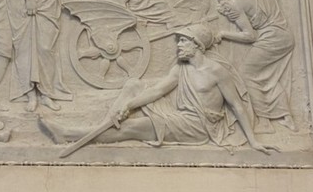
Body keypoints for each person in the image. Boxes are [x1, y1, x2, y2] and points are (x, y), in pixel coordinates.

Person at [41, 23, 274, 154]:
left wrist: (253, 141)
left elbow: (237, 106)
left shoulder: (217, 71)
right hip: (179, 116)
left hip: (197, 127)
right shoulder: (180, 69)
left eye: (183, 41)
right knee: (133, 85)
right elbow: (157, 91)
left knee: (133, 128)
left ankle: (68, 134)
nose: (178, 45)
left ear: (197, 45)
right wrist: (127, 106)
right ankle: (106, 124)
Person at [210, 0, 295, 130]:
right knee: (264, 76)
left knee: (247, 73)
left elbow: (250, 35)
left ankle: (265, 121)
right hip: (280, 32)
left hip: (267, 36)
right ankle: (283, 115)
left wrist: (223, 33)